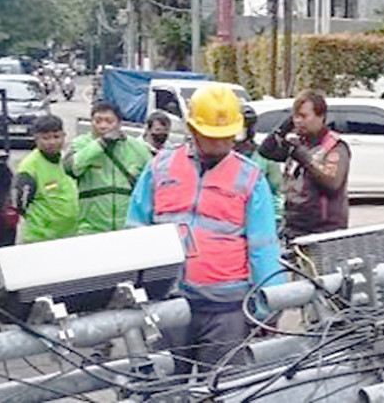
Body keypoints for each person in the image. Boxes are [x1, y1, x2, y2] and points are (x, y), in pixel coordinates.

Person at [127, 82, 284, 372]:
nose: (223, 143)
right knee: (164, 388)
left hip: (226, 308)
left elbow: (264, 246)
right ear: (193, 129)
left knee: (224, 388)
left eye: (228, 136)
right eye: (214, 136)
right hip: (168, 302)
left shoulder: (250, 177)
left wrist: (269, 303)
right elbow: (136, 230)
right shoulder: (160, 168)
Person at [259, 89, 351, 244]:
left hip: (324, 232)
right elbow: (266, 151)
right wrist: (285, 126)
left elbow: (332, 183)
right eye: (295, 116)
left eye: (304, 116)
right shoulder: (298, 143)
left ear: (321, 117)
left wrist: (304, 158)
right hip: (293, 228)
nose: (298, 121)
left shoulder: (335, 147)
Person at [64, 101, 151, 234]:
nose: (103, 126)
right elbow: (72, 168)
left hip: (128, 226)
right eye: (97, 121)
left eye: (109, 121)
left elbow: (151, 180)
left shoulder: (137, 148)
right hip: (91, 226)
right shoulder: (80, 144)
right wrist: (100, 144)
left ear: (119, 123)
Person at [13, 115, 78, 243]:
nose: (52, 142)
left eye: (56, 137)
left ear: (64, 136)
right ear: (36, 139)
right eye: (46, 138)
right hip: (41, 239)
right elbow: (19, 205)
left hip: (71, 236)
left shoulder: (68, 160)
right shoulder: (29, 167)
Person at [235, 105, 283, 226]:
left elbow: (278, 193)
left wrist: (273, 221)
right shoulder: (221, 156)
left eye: (242, 127)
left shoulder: (264, 158)